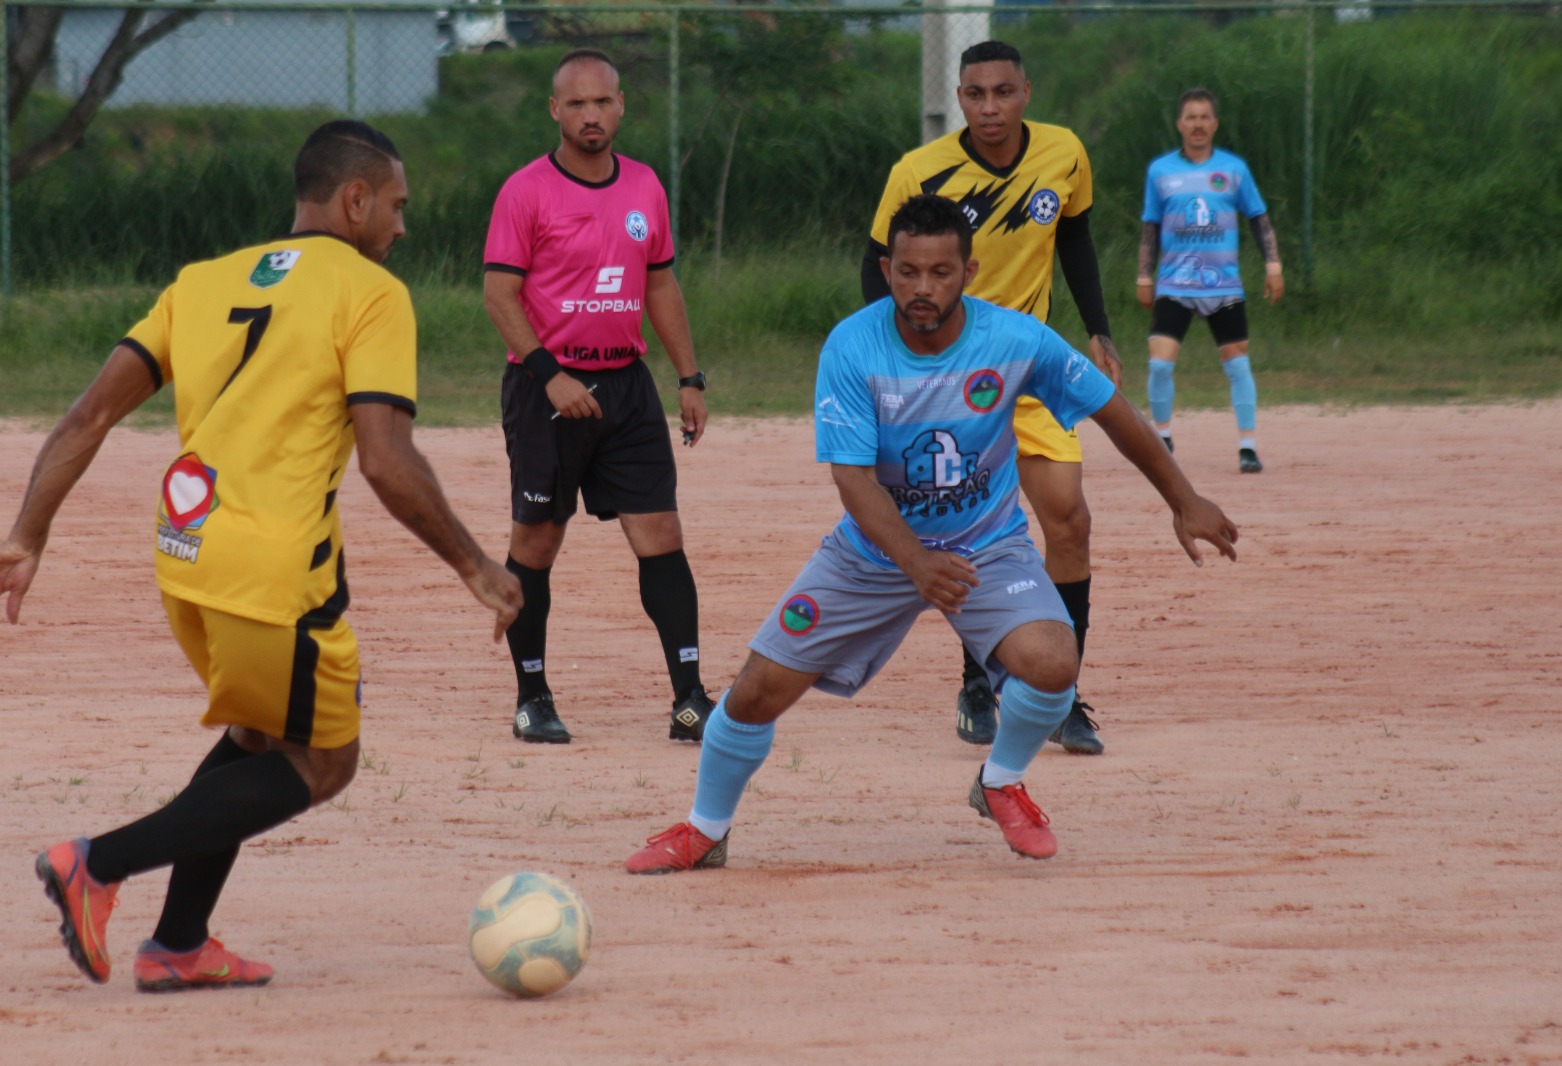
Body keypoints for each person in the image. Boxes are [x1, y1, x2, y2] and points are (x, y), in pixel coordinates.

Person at [4, 120, 523, 991]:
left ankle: (178, 945)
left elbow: (86, 416)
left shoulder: (202, 282)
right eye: (395, 206)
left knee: (257, 735)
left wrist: (27, 534)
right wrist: (477, 565)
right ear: (354, 199)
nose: (402, 227)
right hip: (275, 570)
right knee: (323, 760)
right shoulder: (370, 292)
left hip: (185, 553)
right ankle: (96, 864)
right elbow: (387, 460)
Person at [624, 194, 1237, 874]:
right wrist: (915, 563)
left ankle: (999, 782)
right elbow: (853, 481)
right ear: (887, 269)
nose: (923, 288)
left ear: (969, 271)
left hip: (986, 545)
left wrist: (1184, 498)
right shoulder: (852, 347)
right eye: (909, 272)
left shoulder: (1016, 339)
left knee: (1055, 663)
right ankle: (705, 831)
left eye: (940, 272)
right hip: (871, 553)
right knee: (754, 692)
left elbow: (1111, 410)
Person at [862, 39, 1120, 757]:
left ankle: (1059, 696)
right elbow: (874, 269)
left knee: (1068, 522)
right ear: (959, 98)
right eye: (975, 95)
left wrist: (1098, 330)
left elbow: (1076, 240)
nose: (990, 108)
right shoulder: (921, 172)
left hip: (1030, 373)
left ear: (1026, 93)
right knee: (970, 529)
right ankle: (979, 679)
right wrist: (899, 368)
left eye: (1003, 93)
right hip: (949, 380)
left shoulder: (1064, 155)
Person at [483, 48, 713, 746]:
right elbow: (499, 293)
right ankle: (533, 697)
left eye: (602, 102)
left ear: (621, 107)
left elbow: (662, 285)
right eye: (576, 104)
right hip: (545, 387)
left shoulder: (644, 187)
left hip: (627, 387)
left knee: (662, 536)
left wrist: (689, 376)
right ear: (556, 110)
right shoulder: (525, 190)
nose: (591, 115)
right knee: (537, 542)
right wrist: (549, 371)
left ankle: (691, 698)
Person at [1137, 87, 1284, 473]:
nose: (1198, 124)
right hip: (1174, 285)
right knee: (1159, 365)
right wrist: (1143, 275)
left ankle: (1248, 447)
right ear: (1179, 124)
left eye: (1205, 117)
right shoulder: (1161, 171)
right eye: (1191, 117)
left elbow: (1258, 218)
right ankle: (1162, 439)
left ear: (1215, 124)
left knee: (1237, 365)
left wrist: (1273, 264)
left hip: (1223, 287)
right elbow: (1150, 227)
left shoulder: (1233, 170)